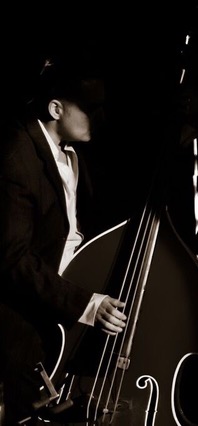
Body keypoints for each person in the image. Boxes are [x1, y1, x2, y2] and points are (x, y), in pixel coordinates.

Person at [0, 54, 127, 425]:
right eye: (90, 108)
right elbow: (12, 259)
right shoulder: (16, 157)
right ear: (56, 108)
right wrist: (85, 304)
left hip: (60, 305)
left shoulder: (74, 156)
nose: (100, 117)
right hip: (22, 322)